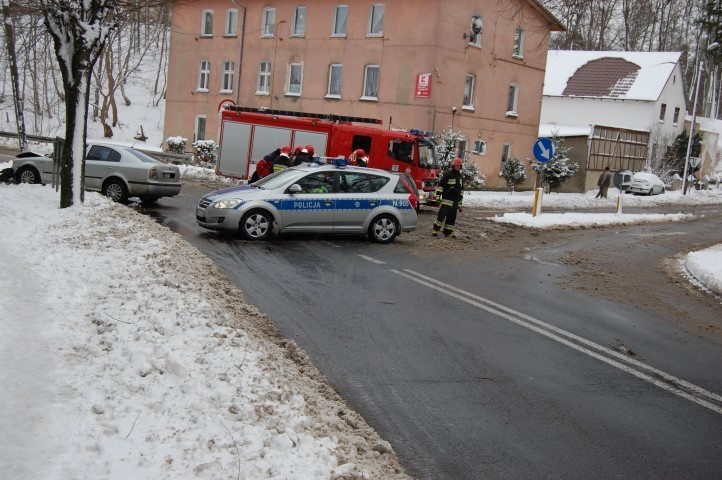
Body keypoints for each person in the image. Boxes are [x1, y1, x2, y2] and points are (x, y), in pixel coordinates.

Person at [432, 157, 464, 238]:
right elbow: (440, 187)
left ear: (460, 167)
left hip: (455, 202)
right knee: (441, 216)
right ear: (453, 166)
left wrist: (460, 205)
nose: (457, 167)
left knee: (451, 218)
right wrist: (438, 198)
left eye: (459, 165)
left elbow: (461, 192)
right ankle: (435, 230)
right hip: (446, 200)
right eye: (456, 165)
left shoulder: (460, 177)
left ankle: (448, 232)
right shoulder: (447, 174)